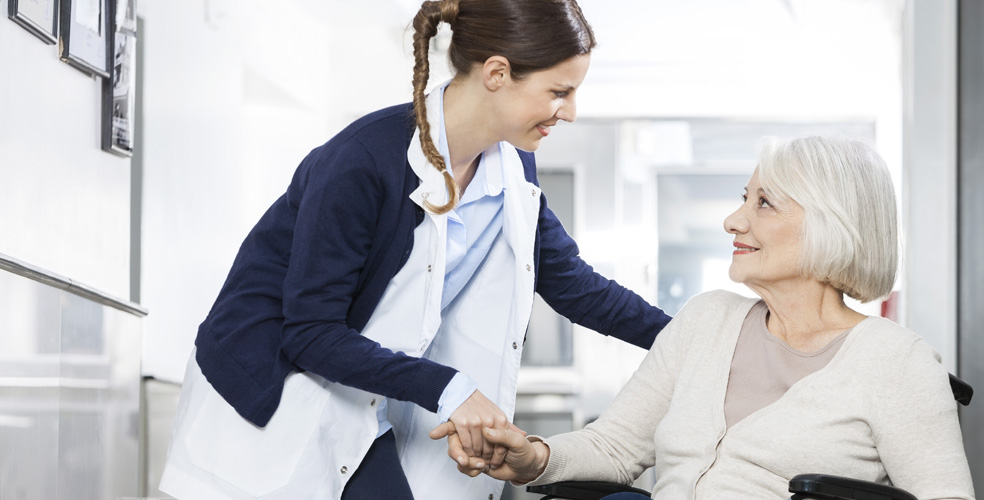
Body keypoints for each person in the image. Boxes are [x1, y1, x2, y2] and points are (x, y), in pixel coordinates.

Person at [157, 1, 670, 499]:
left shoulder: (512, 173)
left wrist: (697, 336)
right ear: (497, 72)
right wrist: (450, 389)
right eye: (559, 92)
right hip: (273, 387)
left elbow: (575, 286)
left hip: (356, 397)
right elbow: (310, 332)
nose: (571, 112)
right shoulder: (363, 161)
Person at [443, 136, 977, 500]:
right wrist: (532, 456)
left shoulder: (896, 361)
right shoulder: (706, 321)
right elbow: (614, 447)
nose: (733, 219)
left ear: (831, 225)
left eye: (764, 203)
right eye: (743, 197)